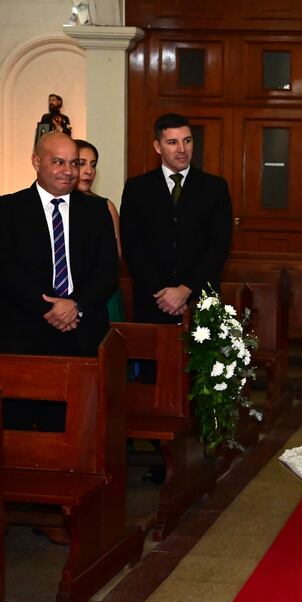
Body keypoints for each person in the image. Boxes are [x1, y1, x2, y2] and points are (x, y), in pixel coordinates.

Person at [0, 132, 119, 430]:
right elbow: (7, 270)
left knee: (78, 427)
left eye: (74, 163)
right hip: (24, 336)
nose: (69, 171)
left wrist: (75, 305)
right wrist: (49, 309)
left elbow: (108, 270)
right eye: (58, 162)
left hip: (81, 333)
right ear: (36, 162)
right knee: (21, 429)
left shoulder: (97, 211)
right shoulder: (8, 210)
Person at [120, 113, 232, 324]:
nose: (182, 149)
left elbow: (219, 246)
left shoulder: (215, 187)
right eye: (172, 142)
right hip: (153, 301)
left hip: (200, 300)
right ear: (157, 146)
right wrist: (163, 294)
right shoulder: (137, 188)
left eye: (187, 141)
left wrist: (185, 290)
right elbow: (132, 246)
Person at [75, 139, 124, 321]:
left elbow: (116, 257)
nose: (89, 171)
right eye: (82, 163)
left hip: (102, 294)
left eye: (93, 165)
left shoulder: (105, 207)